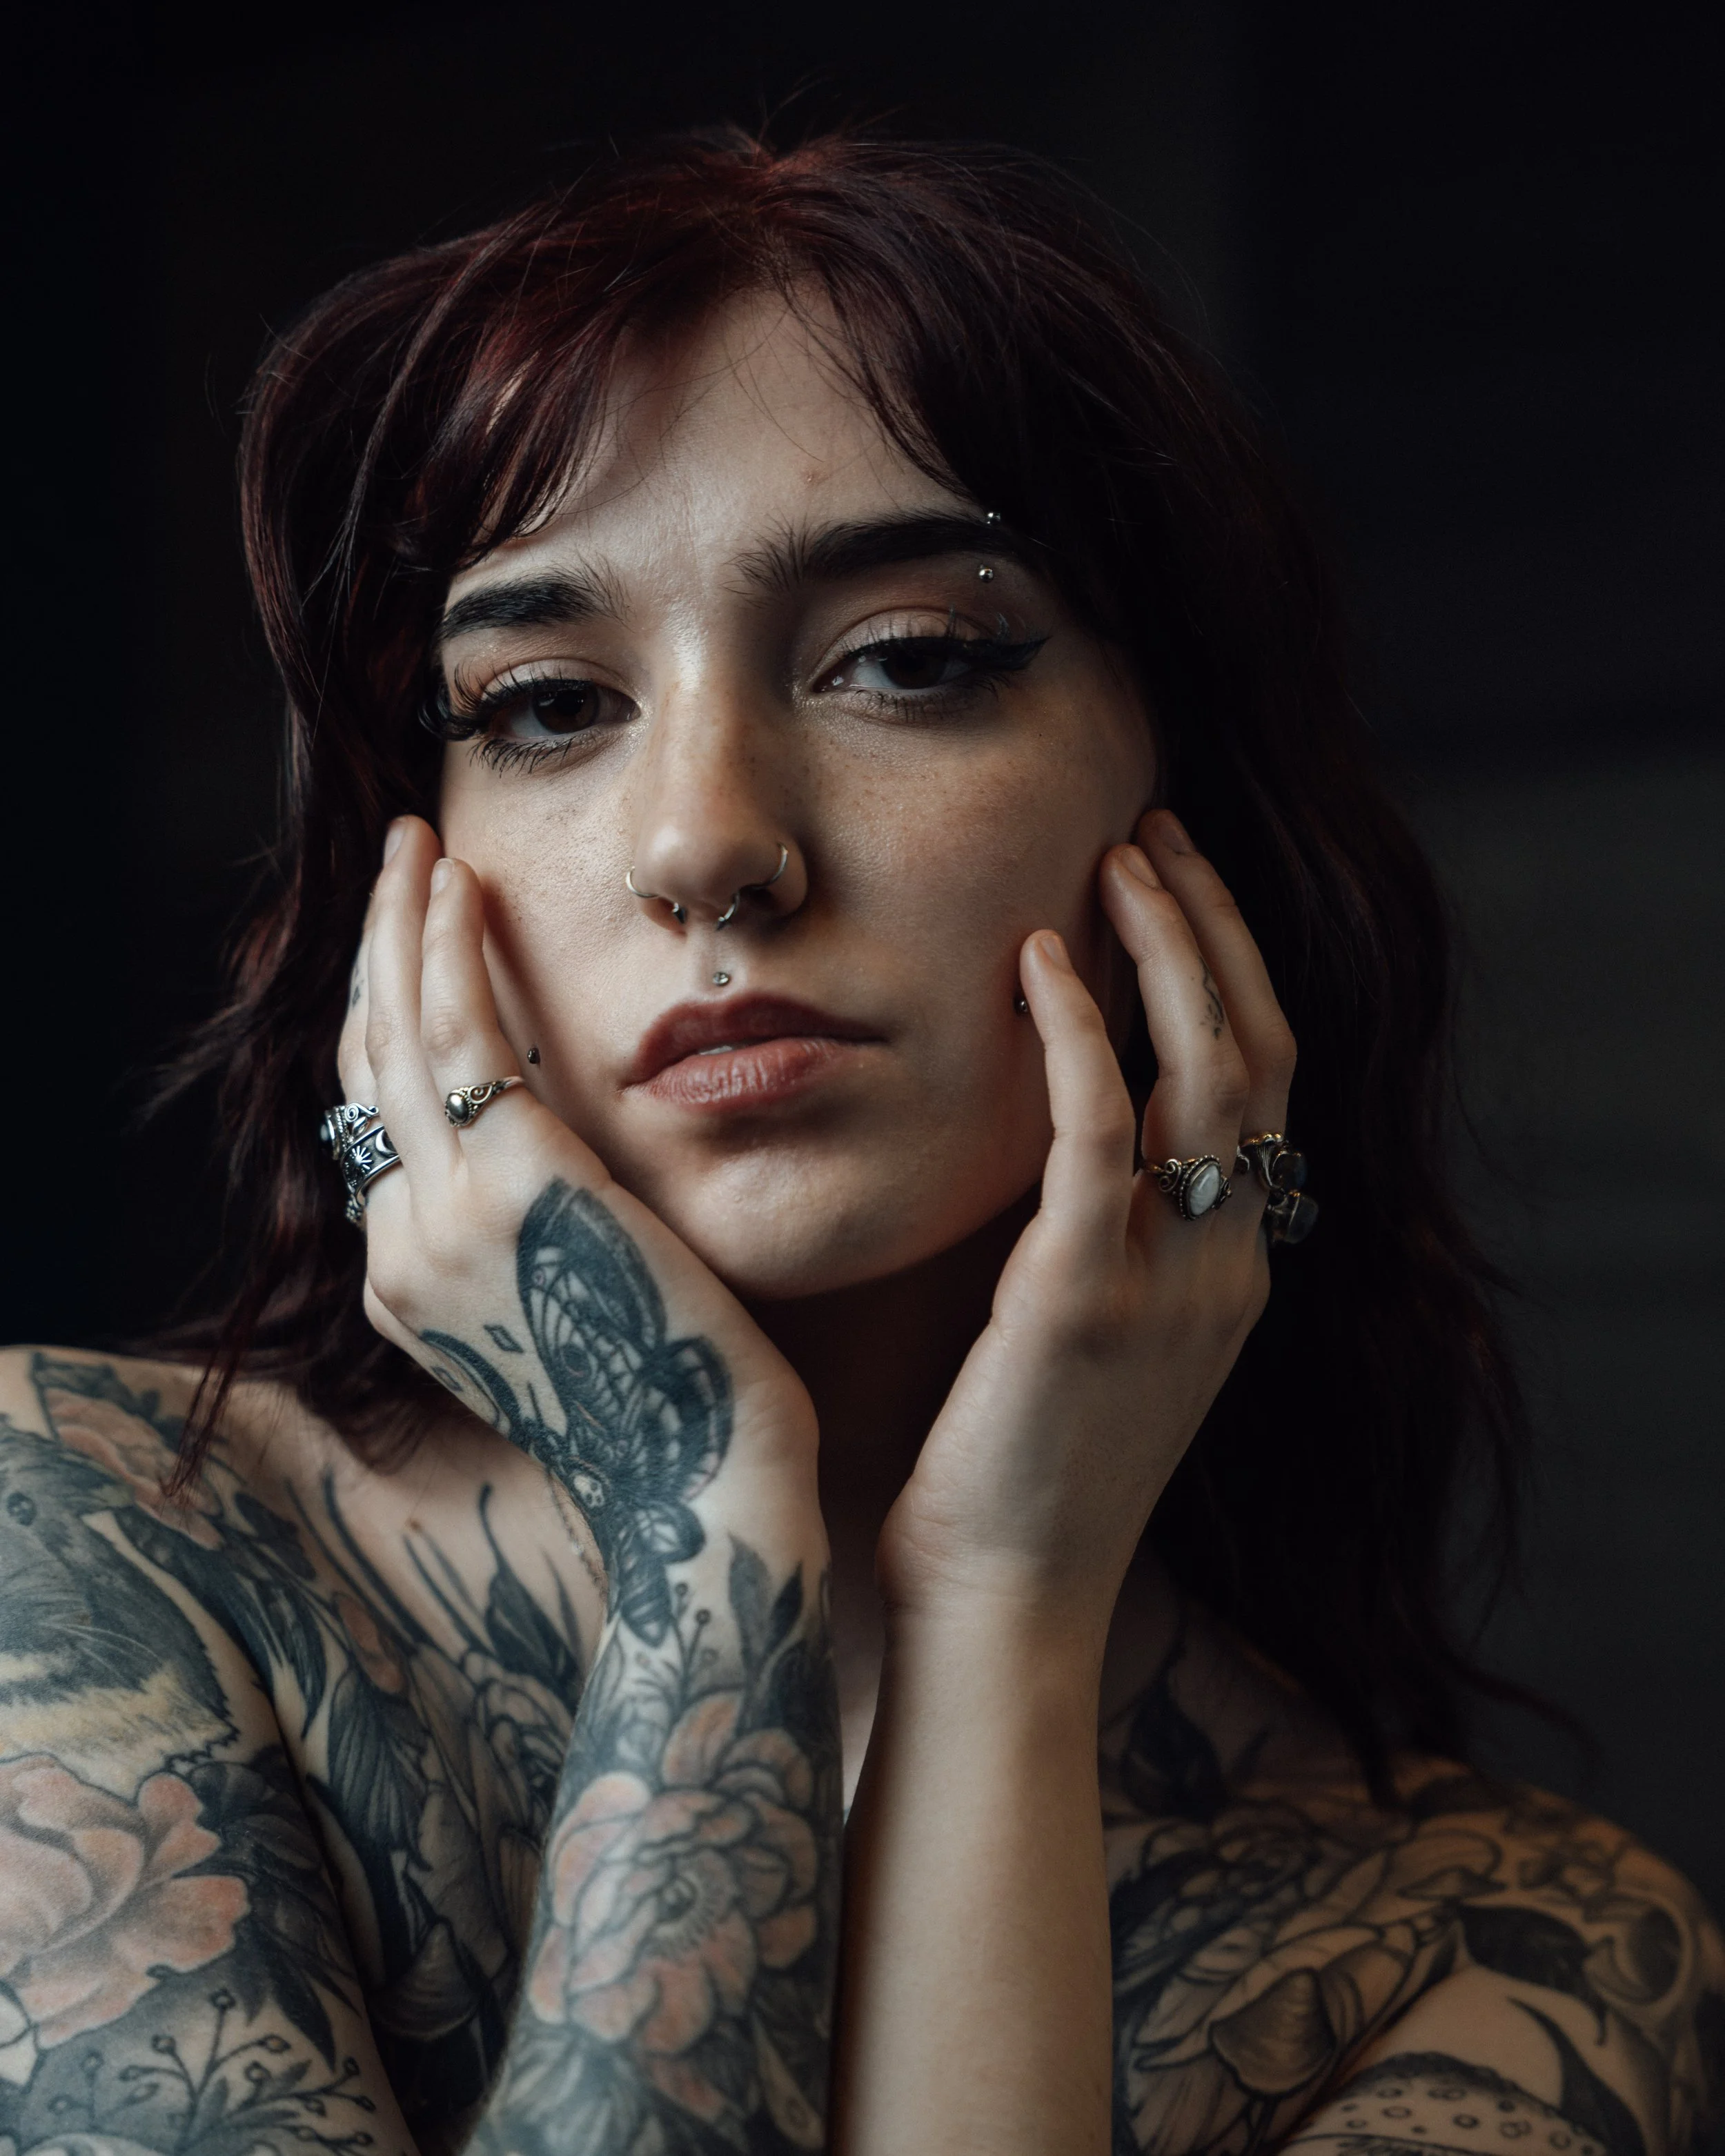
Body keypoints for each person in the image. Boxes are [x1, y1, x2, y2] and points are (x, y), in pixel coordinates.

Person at [0, 128, 1716, 2156]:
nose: (705, 841)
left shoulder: (1509, 1953)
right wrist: (699, 1519)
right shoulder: (92, 1556)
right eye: (543, 704)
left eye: (906, 662)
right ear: (415, 868)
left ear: (1195, 808)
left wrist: (1003, 1606)